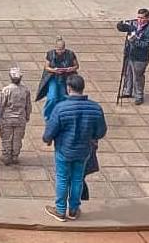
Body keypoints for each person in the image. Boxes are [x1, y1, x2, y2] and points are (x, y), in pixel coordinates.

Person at [42, 74, 107, 222]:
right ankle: (73, 209)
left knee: (62, 178)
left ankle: (60, 210)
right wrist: (91, 137)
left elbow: (50, 132)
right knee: (77, 179)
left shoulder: (60, 108)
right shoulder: (95, 108)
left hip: (64, 150)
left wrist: (48, 139)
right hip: (84, 150)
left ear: (68, 88)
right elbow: (101, 132)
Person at [117, 8, 149, 105]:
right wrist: (121, 25)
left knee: (138, 77)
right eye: (138, 17)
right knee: (128, 73)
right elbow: (122, 27)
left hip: (140, 58)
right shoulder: (133, 23)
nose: (139, 20)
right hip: (129, 54)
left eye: (142, 18)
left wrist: (134, 40)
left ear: (147, 18)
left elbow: (146, 45)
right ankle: (127, 91)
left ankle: (139, 95)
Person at [37, 37, 79, 121]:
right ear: (55, 47)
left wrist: (70, 69)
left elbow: (76, 66)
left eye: (62, 49)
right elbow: (46, 67)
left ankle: (61, 114)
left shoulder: (70, 54)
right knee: (52, 97)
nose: (60, 51)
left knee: (63, 97)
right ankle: (48, 116)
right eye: (59, 49)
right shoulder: (50, 54)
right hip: (53, 77)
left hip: (65, 77)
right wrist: (54, 70)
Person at [0, 67, 32, 165]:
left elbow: (2, 105)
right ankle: (15, 156)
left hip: (7, 118)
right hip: (20, 118)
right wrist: (27, 116)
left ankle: (6, 156)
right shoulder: (26, 90)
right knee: (18, 138)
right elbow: (28, 105)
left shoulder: (6, 90)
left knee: (7, 137)